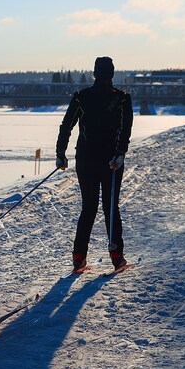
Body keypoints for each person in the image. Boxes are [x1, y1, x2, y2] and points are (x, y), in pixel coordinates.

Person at [55, 57, 133, 270]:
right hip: (112, 162)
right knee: (111, 208)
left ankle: (78, 258)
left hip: (86, 160)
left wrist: (60, 153)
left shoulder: (82, 97)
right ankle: (117, 257)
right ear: (112, 74)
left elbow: (66, 126)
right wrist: (120, 153)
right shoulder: (123, 99)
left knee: (88, 208)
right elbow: (125, 130)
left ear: (94, 74)